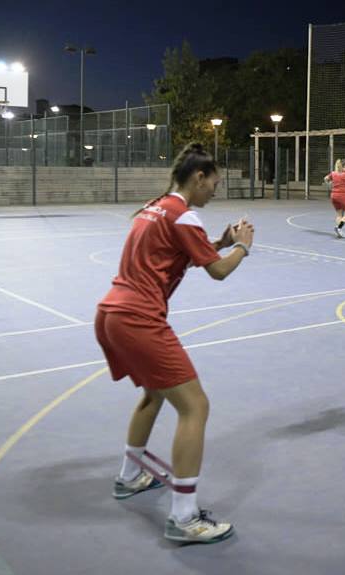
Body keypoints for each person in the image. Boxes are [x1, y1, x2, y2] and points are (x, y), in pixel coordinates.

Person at [95, 142, 253, 543]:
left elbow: (186, 253)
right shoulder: (185, 215)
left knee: (154, 394)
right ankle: (184, 518)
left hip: (111, 313)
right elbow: (217, 271)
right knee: (195, 406)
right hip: (139, 319)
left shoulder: (156, 207)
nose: (215, 191)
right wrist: (242, 247)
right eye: (214, 183)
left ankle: (129, 477)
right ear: (198, 177)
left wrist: (217, 241)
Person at [324, 159, 345, 238]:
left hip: (333, 195)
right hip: (342, 195)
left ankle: (339, 230)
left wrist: (329, 184)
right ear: (344, 166)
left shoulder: (333, 173)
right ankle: (339, 228)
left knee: (339, 214)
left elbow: (325, 178)